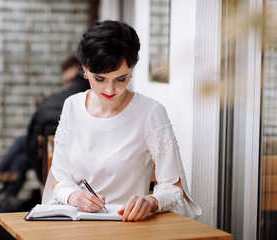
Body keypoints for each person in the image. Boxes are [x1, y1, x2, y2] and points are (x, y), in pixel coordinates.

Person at [42, 20, 202, 221]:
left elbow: (175, 189)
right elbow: (59, 179)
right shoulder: (72, 107)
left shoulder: (150, 112)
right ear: (84, 68)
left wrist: (152, 202)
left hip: (128, 225)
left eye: (121, 79)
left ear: (132, 68)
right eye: (100, 79)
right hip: (78, 225)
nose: (110, 90)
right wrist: (74, 197)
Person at [27, 56, 91, 182]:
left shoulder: (49, 102)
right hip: (76, 173)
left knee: (21, 147)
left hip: (50, 166)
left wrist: (44, 181)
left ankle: (6, 194)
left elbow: (32, 146)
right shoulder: (89, 102)